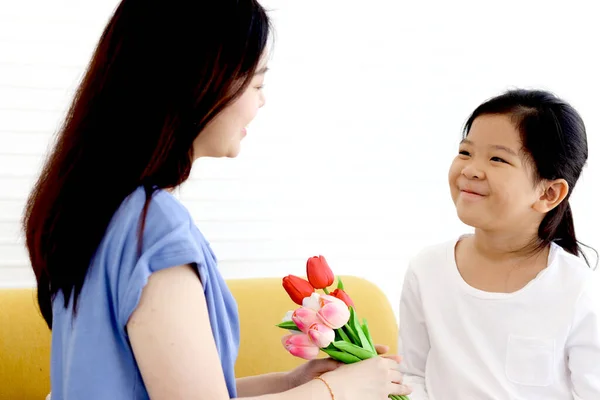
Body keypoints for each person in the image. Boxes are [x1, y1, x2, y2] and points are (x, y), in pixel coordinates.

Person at [23, 1, 412, 399]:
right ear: (202, 80)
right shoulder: (153, 228)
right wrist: (338, 391)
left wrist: (292, 383)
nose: (261, 102)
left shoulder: (100, 208)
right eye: (257, 84)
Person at [397, 88, 600, 399]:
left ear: (548, 194)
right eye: (465, 152)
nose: (470, 169)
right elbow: (412, 374)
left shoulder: (576, 287)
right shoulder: (427, 269)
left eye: (496, 159)